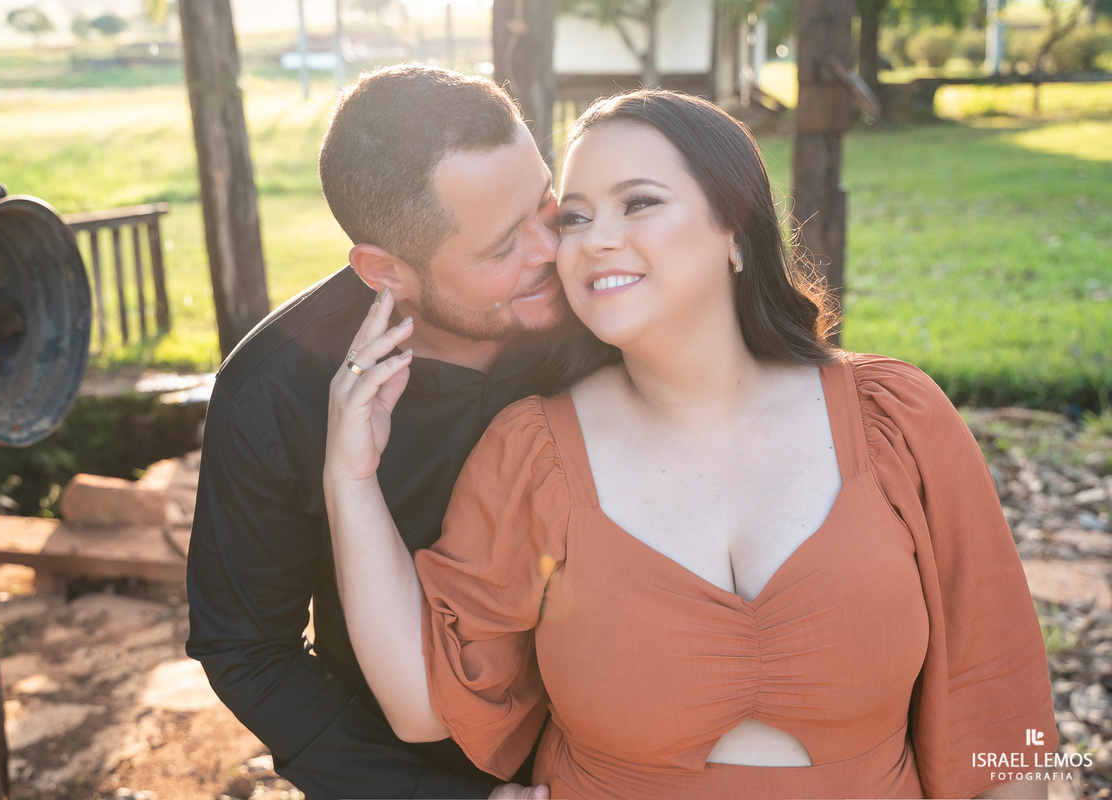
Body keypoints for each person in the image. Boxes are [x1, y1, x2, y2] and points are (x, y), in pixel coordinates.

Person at [324, 89, 1059, 800]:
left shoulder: (895, 420)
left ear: (734, 227)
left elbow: (1001, 701)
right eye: (574, 218)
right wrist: (350, 479)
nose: (595, 239)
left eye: (638, 203)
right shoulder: (534, 454)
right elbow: (424, 702)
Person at [186, 65, 567, 799]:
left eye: (546, 202)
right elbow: (249, 649)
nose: (550, 249)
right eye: (500, 249)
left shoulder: (600, 299)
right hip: (413, 766)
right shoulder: (271, 392)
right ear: (384, 271)